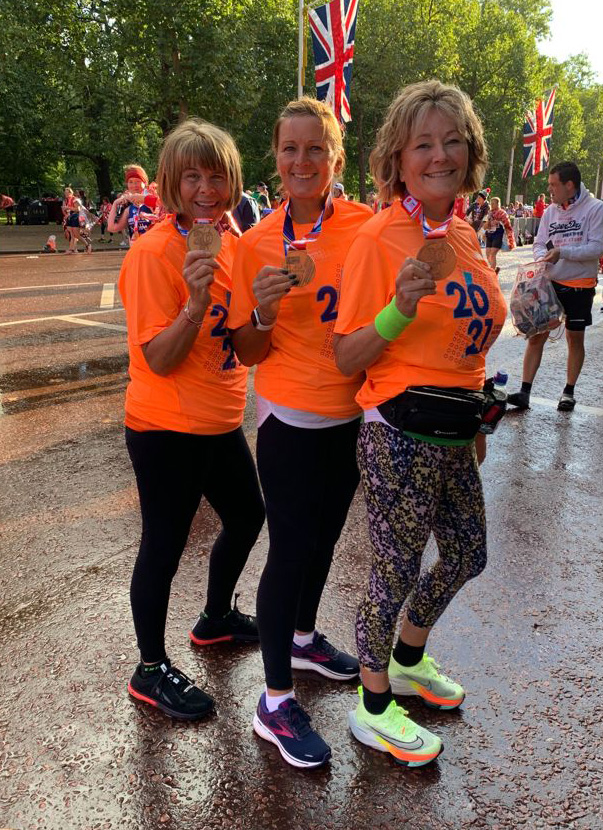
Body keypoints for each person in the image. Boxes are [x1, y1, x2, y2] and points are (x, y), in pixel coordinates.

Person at [333, 80, 506, 767]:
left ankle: (407, 656)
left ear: (471, 150)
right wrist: (398, 308)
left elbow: (469, 335)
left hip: (455, 428)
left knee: (467, 553)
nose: (440, 155)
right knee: (394, 566)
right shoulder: (379, 237)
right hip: (397, 431)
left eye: (452, 140)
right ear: (398, 159)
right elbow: (347, 353)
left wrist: (479, 417)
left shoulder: (463, 232)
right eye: (423, 144)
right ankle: (372, 705)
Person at [229, 97, 373, 769]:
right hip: (287, 418)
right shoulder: (254, 242)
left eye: (315, 149)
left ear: (334, 158)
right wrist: (259, 310)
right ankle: (274, 697)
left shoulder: (365, 228)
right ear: (276, 158)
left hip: (350, 413)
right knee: (288, 550)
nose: (301, 161)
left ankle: (305, 636)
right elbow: (249, 349)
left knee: (322, 538)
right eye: (289, 149)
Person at [117, 118, 265, 721]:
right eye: (192, 176)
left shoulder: (229, 242)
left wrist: (269, 314)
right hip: (165, 428)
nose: (206, 188)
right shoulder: (154, 252)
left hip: (220, 421)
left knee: (249, 515)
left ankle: (214, 617)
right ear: (171, 185)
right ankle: (149, 668)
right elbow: (158, 357)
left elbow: (246, 346)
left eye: (217, 176)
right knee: (164, 544)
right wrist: (195, 304)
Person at [507, 161, 603, 412]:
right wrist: (543, 254)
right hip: (548, 283)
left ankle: (568, 391)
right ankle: (524, 391)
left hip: (579, 285)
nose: (550, 190)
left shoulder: (597, 209)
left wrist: (561, 252)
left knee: (575, 339)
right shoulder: (551, 211)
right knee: (535, 336)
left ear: (569, 185)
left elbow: (597, 248)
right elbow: (539, 242)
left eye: (554, 185)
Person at [108, 165, 149, 247]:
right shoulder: (130, 209)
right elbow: (112, 228)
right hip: (136, 253)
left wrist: (146, 199)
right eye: (130, 182)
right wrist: (115, 204)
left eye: (137, 181)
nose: (134, 185)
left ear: (144, 183)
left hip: (155, 253)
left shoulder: (153, 203)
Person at [485, 196, 514, 272]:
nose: (492, 205)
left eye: (493, 203)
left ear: (498, 204)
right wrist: (488, 223)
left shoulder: (502, 213)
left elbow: (507, 225)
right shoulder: (489, 213)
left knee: (492, 253)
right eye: (491, 203)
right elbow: (485, 225)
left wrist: (499, 222)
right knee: (488, 254)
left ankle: (492, 273)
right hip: (490, 234)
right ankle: (494, 269)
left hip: (498, 234)